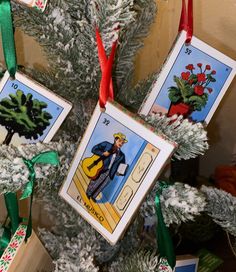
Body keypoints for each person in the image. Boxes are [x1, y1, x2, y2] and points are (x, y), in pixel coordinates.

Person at [86, 132, 128, 202]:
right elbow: (94, 149)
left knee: (103, 185)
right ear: (115, 139)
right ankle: (88, 193)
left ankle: (94, 196)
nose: (121, 143)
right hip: (101, 168)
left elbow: (122, 165)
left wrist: (119, 172)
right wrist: (102, 153)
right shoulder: (106, 144)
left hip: (111, 172)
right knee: (95, 181)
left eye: (122, 142)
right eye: (119, 141)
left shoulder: (121, 155)